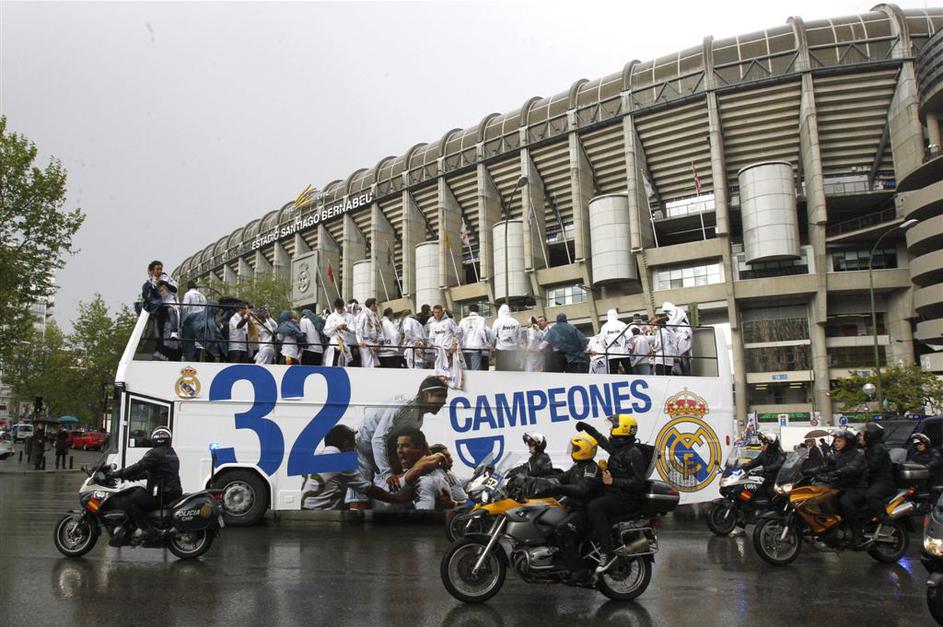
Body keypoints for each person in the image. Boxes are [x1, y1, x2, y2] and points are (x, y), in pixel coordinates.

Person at [346, 377, 450, 508]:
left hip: (382, 453)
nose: (444, 401)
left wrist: (432, 459)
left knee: (387, 492)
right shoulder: (403, 406)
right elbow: (378, 439)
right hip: (363, 451)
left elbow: (416, 439)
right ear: (426, 394)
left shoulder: (418, 417)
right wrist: (387, 473)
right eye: (441, 396)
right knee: (360, 496)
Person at [512, 432, 604, 576]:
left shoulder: (590, 469)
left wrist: (559, 488)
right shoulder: (578, 467)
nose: (571, 451)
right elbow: (559, 478)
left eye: (574, 448)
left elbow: (583, 489)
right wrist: (536, 482)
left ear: (583, 450)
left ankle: (580, 570)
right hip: (573, 506)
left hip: (585, 510)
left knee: (562, 530)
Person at [300, 425, 439, 510]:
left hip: (304, 512)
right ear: (345, 443)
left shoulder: (315, 456)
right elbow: (370, 490)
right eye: (353, 445)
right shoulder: (340, 462)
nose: (354, 450)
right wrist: (400, 499)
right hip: (325, 517)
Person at [577, 415, 648, 573]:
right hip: (615, 493)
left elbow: (639, 483)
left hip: (626, 498)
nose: (610, 429)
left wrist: (613, 481)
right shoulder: (619, 448)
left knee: (595, 507)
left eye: (613, 426)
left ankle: (607, 552)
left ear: (622, 429)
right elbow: (601, 440)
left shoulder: (633, 453)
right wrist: (587, 427)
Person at [109, 426, 182, 543]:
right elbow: (153, 472)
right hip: (171, 491)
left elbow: (138, 467)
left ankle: (149, 531)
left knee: (129, 502)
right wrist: (130, 477)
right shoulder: (171, 453)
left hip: (162, 493)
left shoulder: (154, 453)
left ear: (155, 439)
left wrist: (116, 474)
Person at [821, 429, 868, 547]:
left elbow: (853, 468)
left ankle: (858, 535)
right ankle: (833, 530)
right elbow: (826, 467)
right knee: (822, 497)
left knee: (845, 502)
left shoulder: (859, 454)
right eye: (835, 441)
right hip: (842, 486)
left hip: (856, 487)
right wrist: (808, 471)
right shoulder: (838, 455)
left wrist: (838, 472)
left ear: (849, 442)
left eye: (839, 441)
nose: (836, 443)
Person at [392, 430, 454, 511]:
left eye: (405, 446)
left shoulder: (424, 481)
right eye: (398, 446)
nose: (399, 451)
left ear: (419, 448)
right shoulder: (437, 471)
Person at [859, 422, 895, 530]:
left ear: (869, 435)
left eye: (862, 434)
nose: (860, 436)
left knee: (871, 495)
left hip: (883, 482)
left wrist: (856, 469)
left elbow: (871, 466)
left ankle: (883, 517)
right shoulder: (870, 447)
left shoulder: (878, 448)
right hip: (874, 481)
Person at [142, 260, 179, 361]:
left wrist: (165, 284)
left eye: (160, 269)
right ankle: (159, 351)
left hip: (168, 304)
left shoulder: (166, 278)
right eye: (157, 269)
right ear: (152, 271)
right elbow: (147, 296)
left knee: (171, 311)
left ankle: (174, 332)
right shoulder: (149, 283)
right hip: (157, 308)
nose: (159, 271)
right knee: (158, 330)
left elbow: (175, 289)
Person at [739, 431, 785, 499]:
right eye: (763, 443)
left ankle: (773, 509)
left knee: (770, 493)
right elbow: (756, 462)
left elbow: (776, 465)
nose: (763, 445)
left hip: (775, 481)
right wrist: (744, 465)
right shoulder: (764, 454)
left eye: (765, 443)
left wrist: (764, 470)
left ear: (772, 444)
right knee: (749, 489)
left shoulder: (780, 455)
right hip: (764, 479)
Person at [426, 304, 463, 381]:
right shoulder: (432, 324)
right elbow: (431, 337)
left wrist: (454, 345)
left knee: (450, 369)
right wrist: (430, 343)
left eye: (439, 312)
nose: (437, 314)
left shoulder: (449, 321)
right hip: (437, 351)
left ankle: (453, 383)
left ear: (442, 312)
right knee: (439, 370)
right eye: (435, 312)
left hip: (448, 350)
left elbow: (458, 333)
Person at [458, 304, 491, 371]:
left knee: (468, 369)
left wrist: (460, 345)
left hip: (465, 347)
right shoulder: (481, 319)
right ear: (478, 310)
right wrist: (488, 345)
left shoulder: (463, 320)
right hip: (476, 348)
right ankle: (475, 381)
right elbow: (482, 332)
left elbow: (459, 334)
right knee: (475, 370)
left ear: (469, 310)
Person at [663, 302, 693, 375]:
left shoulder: (678, 311)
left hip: (683, 336)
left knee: (684, 357)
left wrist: (664, 324)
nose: (667, 313)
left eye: (667, 311)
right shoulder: (671, 317)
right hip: (677, 339)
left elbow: (673, 323)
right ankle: (681, 374)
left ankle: (686, 374)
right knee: (679, 359)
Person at [324, 299, 356, 367]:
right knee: (333, 365)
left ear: (343, 306)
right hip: (335, 344)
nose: (339, 310)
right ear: (335, 307)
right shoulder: (331, 317)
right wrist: (335, 328)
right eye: (338, 309)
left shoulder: (349, 316)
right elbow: (326, 332)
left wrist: (347, 329)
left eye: (341, 308)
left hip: (346, 345)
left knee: (345, 367)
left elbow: (354, 332)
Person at [491, 304, 522, 371]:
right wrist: (517, 345)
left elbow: (492, 336)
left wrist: (492, 346)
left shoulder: (497, 321)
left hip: (501, 349)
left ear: (500, 312)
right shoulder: (516, 322)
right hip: (513, 349)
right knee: (512, 369)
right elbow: (519, 337)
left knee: (501, 370)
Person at [599, 309, 630, 374]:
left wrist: (606, 348)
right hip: (623, 352)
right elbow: (629, 335)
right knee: (628, 369)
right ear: (616, 315)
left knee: (613, 372)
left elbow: (602, 340)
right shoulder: (622, 324)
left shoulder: (604, 326)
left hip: (612, 353)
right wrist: (626, 344)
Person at [357, 298, 384, 368]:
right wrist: (360, 341)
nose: (377, 306)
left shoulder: (375, 316)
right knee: (368, 364)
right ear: (372, 305)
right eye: (376, 304)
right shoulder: (363, 315)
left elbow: (379, 330)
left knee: (375, 364)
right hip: (365, 342)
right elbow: (359, 330)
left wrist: (379, 341)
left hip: (374, 343)